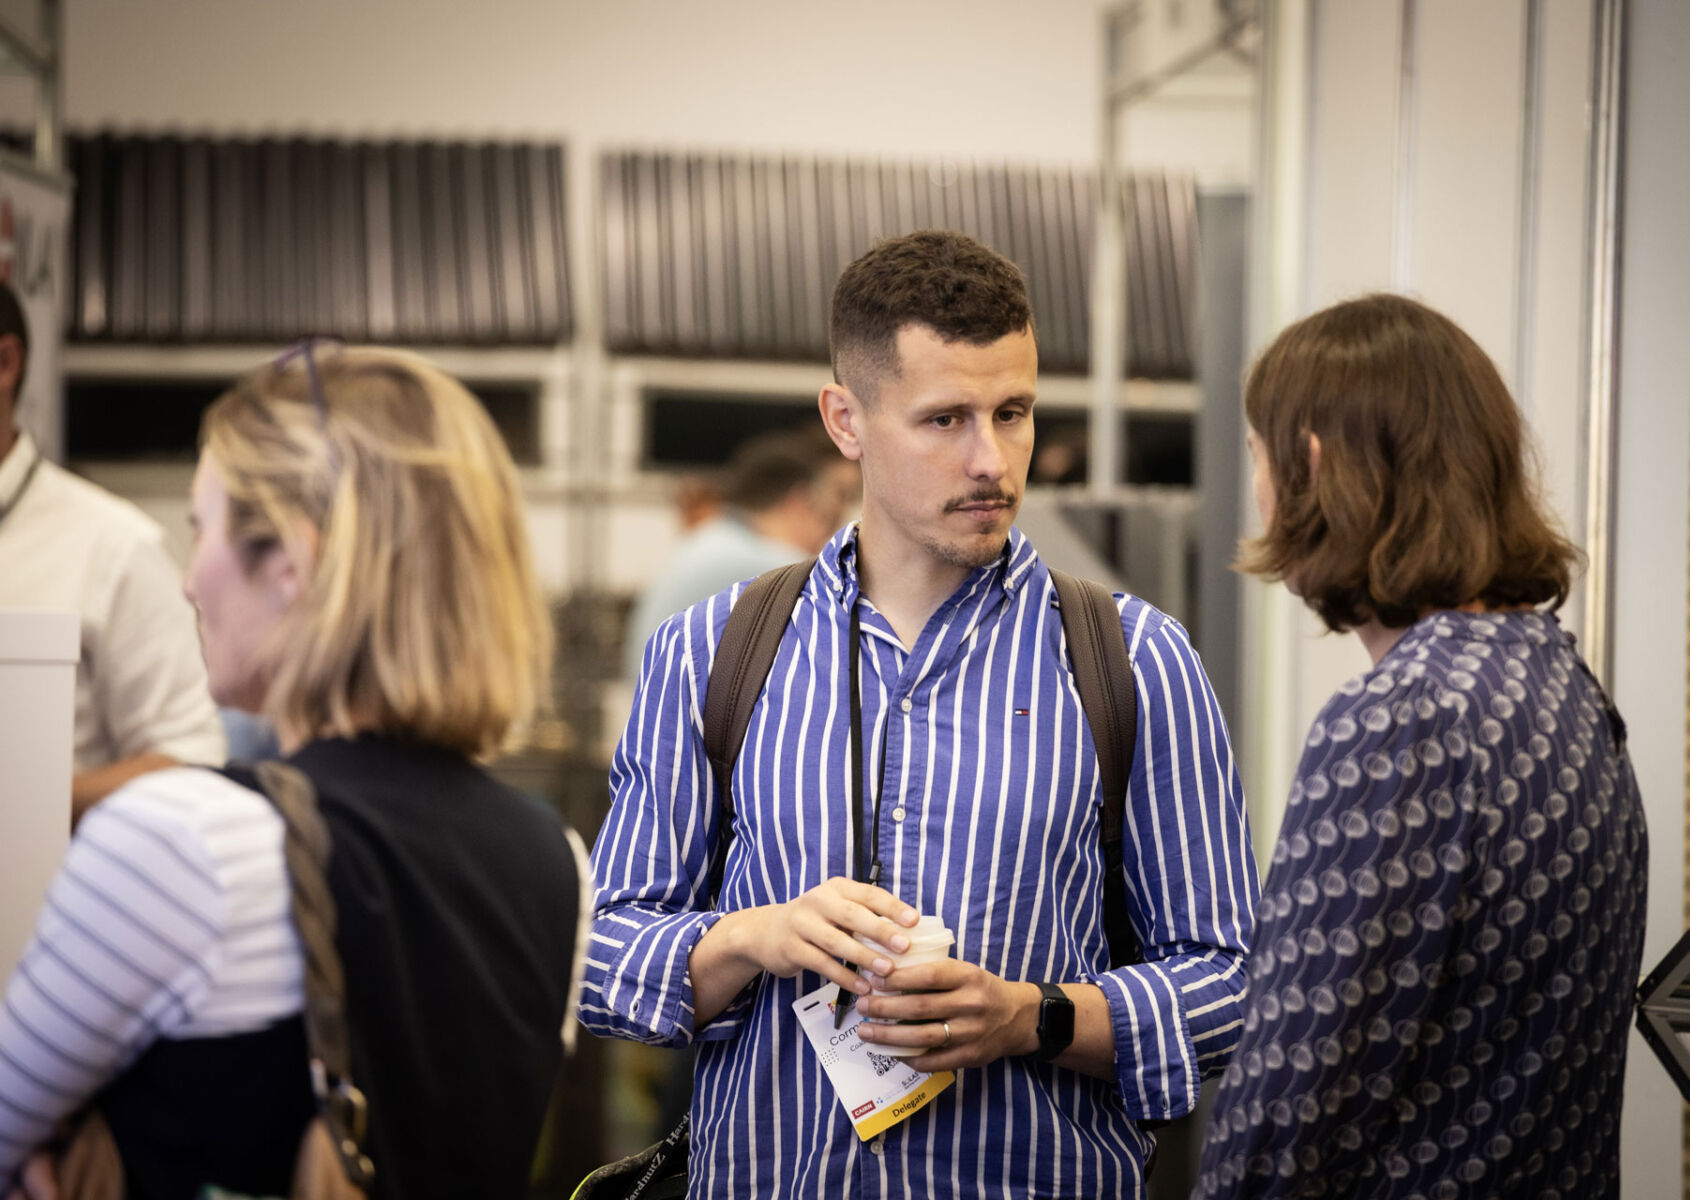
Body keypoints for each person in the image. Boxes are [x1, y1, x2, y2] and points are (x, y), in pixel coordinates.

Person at [583, 230, 1257, 1196]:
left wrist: (1033, 1017)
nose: (992, 459)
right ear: (846, 420)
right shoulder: (711, 654)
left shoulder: (1135, 661)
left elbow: (1232, 982)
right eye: (945, 420)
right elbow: (602, 953)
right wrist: (747, 938)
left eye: (1014, 412)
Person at [0, 345, 588, 1200]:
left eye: (200, 527)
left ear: (292, 565)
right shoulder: (557, 861)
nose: (187, 579)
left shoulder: (184, 838)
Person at [1194, 295, 1648, 1199]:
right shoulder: (1565, 686)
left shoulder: (1403, 721)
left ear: (1312, 462)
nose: (1257, 485)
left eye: (1257, 454)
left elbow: (1285, 1115)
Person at [0, 279, 224, 815]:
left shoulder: (114, 545)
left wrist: (29, 808)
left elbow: (191, 760)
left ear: (5, 365)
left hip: (53, 890)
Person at [620, 427, 860, 681]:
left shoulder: (712, 539)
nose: (827, 534)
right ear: (798, 504)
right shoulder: (765, 562)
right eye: (824, 516)